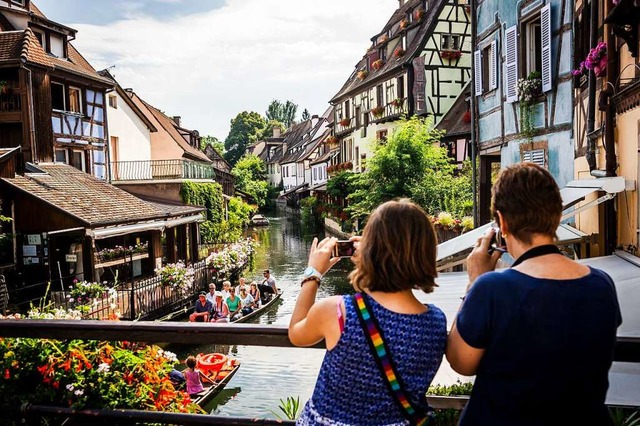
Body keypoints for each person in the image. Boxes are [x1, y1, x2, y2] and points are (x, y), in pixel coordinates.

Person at [446, 163, 622, 426]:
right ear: (557, 215)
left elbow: (461, 362)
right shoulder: (601, 285)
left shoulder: (492, 289)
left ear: (502, 222)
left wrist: (474, 281)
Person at [289, 199, 447, 425]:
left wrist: (313, 274)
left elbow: (296, 332)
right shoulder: (435, 321)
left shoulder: (338, 310)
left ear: (370, 250)